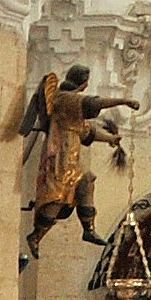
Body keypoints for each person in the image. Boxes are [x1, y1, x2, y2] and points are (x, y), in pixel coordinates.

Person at [20, 66, 138, 258]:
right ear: (83, 82)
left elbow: (86, 131)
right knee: (58, 196)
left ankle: (88, 229)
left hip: (71, 152)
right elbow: (93, 103)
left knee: (86, 181)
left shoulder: (71, 108)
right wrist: (123, 101)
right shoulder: (65, 98)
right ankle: (36, 235)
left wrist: (110, 139)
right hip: (60, 153)